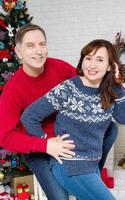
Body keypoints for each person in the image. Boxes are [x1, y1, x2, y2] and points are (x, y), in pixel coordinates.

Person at [0, 22, 116, 199]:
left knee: (111, 129)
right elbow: (5, 137)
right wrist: (45, 144)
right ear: (18, 52)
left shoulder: (59, 67)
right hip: (39, 148)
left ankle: (91, 175)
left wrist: (111, 76)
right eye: (30, 46)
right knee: (60, 197)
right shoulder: (12, 90)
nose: (38, 51)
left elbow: (88, 82)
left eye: (42, 44)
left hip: (71, 136)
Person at [21, 39, 125, 200]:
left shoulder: (109, 91)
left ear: (110, 66)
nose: (92, 64)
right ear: (82, 61)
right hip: (69, 166)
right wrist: (46, 142)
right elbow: (29, 117)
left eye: (99, 60)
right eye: (88, 58)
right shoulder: (68, 89)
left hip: (92, 166)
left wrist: (116, 84)